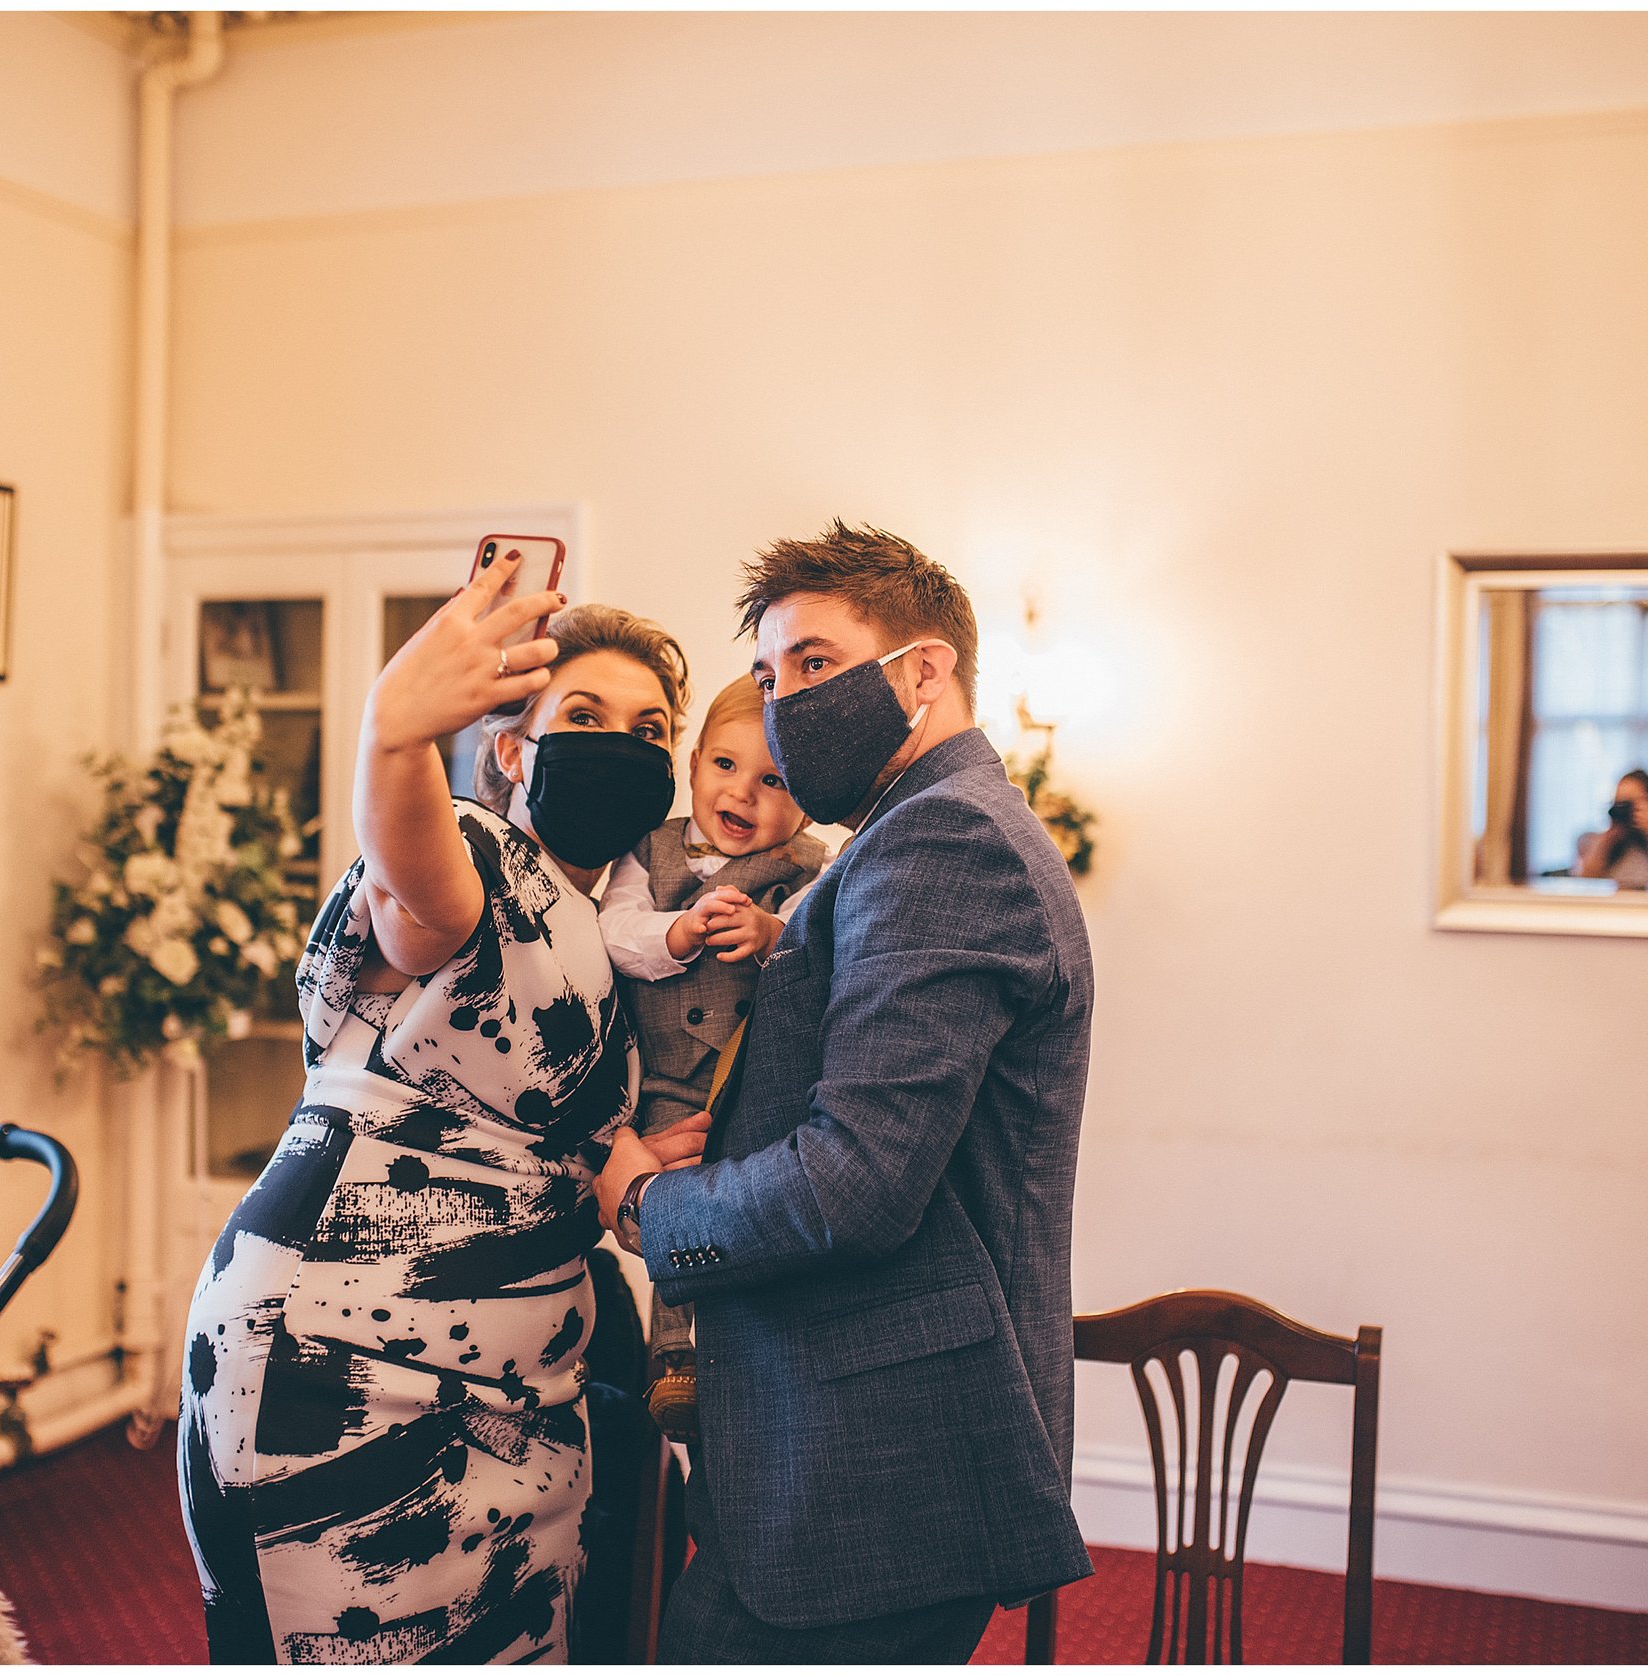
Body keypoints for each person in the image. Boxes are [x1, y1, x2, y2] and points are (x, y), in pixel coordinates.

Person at [597, 519, 1096, 1662]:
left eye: (814, 663)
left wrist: (645, 1209)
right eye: (768, 676)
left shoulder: (943, 843)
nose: (782, 702)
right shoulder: (899, 840)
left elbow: (854, 1180)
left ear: (923, 671)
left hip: (866, 1461)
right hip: (826, 1431)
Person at [176, 560, 692, 1665]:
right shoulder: (483, 851)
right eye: (585, 716)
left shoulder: (603, 927)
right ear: (512, 749)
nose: (623, 744)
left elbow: (552, 1137)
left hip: (512, 1384)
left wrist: (644, 1171)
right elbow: (415, 895)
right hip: (350, 1374)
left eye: (651, 728)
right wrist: (393, 735)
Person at [593, 674, 830, 1442]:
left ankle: (739, 1356)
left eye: (774, 780)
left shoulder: (809, 871)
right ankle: (672, 1359)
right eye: (726, 767)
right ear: (693, 765)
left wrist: (767, 938)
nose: (744, 794)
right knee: (668, 1200)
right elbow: (615, 933)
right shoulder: (646, 850)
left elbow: (820, 951)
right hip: (660, 1081)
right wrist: (678, 934)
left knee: (738, 1211)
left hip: (749, 1082)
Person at [1571, 768, 1648, 888]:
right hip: (1612, 905)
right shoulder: (1598, 839)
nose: (1624, 810)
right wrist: (1608, 840)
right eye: (1619, 803)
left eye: (1629, 804)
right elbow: (1583, 880)